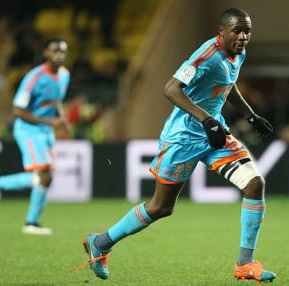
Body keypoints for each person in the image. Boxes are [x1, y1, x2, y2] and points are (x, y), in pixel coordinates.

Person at [78, 8, 276, 283]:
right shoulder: (206, 55)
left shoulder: (238, 53)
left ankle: (245, 263)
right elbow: (170, 88)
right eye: (237, 31)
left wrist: (250, 115)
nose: (243, 36)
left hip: (214, 133)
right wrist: (206, 119)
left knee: (254, 183)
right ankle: (101, 242)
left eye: (247, 31)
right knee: (161, 207)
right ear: (222, 32)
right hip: (182, 138)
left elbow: (226, 86)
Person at [0, 38, 70, 235]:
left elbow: (57, 100)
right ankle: (31, 223)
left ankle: (0, 185)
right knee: (44, 174)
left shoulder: (64, 75)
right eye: (55, 50)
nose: (59, 54)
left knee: (46, 176)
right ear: (46, 53)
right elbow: (17, 110)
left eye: (63, 51)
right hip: (28, 129)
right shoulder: (34, 77)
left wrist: (61, 120)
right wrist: (49, 122)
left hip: (46, 131)